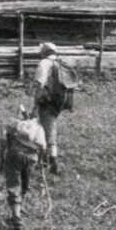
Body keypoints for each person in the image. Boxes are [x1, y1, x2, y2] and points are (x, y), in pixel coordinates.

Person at [30, 42, 75, 176]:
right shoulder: (60, 63)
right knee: (47, 130)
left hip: (47, 102)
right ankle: (44, 161)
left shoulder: (44, 63)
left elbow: (40, 85)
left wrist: (34, 106)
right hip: (59, 103)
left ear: (44, 51)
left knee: (47, 132)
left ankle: (51, 164)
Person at [0, 107, 47, 230]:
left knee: (14, 183)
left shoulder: (19, 124)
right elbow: (42, 146)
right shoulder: (39, 127)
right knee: (25, 183)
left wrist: (2, 158)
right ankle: (20, 207)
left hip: (14, 154)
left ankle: (16, 217)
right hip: (31, 157)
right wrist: (41, 160)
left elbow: (5, 138)